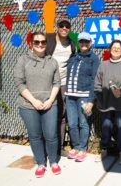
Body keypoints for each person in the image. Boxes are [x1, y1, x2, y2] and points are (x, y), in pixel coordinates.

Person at [14, 32, 61, 177]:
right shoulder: (23, 60)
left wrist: (50, 100)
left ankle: (53, 161)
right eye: (36, 42)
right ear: (31, 44)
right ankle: (41, 163)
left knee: (51, 135)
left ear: (46, 44)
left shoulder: (52, 61)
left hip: (49, 105)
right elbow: (19, 83)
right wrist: (34, 101)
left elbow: (56, 83)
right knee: (35, 136)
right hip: (28, 106)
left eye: (43, 42)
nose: (40, 44)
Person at [94, 40, 121, 164]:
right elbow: (97, 84)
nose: (116, 49)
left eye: (119, 48)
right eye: (114, 47)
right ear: (110, 49)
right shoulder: (103, 65)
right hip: (106, 104)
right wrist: (100, 99)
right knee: (106, 127)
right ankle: (105, 149)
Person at [65, 32, 100, 162]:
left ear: (90, 43)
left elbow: (95, 80)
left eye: (86, 41)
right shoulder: (73, 56)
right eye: (81, 41)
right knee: (72, 123)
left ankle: (83, 149)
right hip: (70, 96)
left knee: (83, 123)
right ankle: (76, 146)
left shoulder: (93, 58)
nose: (84, 44)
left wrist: (91, 100)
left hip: (84, 97)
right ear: (78, 43)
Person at [46, 18, 76, 157]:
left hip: (63, 83)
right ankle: (44, 147)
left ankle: (59, 147)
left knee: (62, 114)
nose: (64, 28)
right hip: (47, 82)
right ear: (57, 27)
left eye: (67, 26)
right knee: (45, 114)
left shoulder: (71, 44)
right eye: (61, 26)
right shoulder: (49, 39)